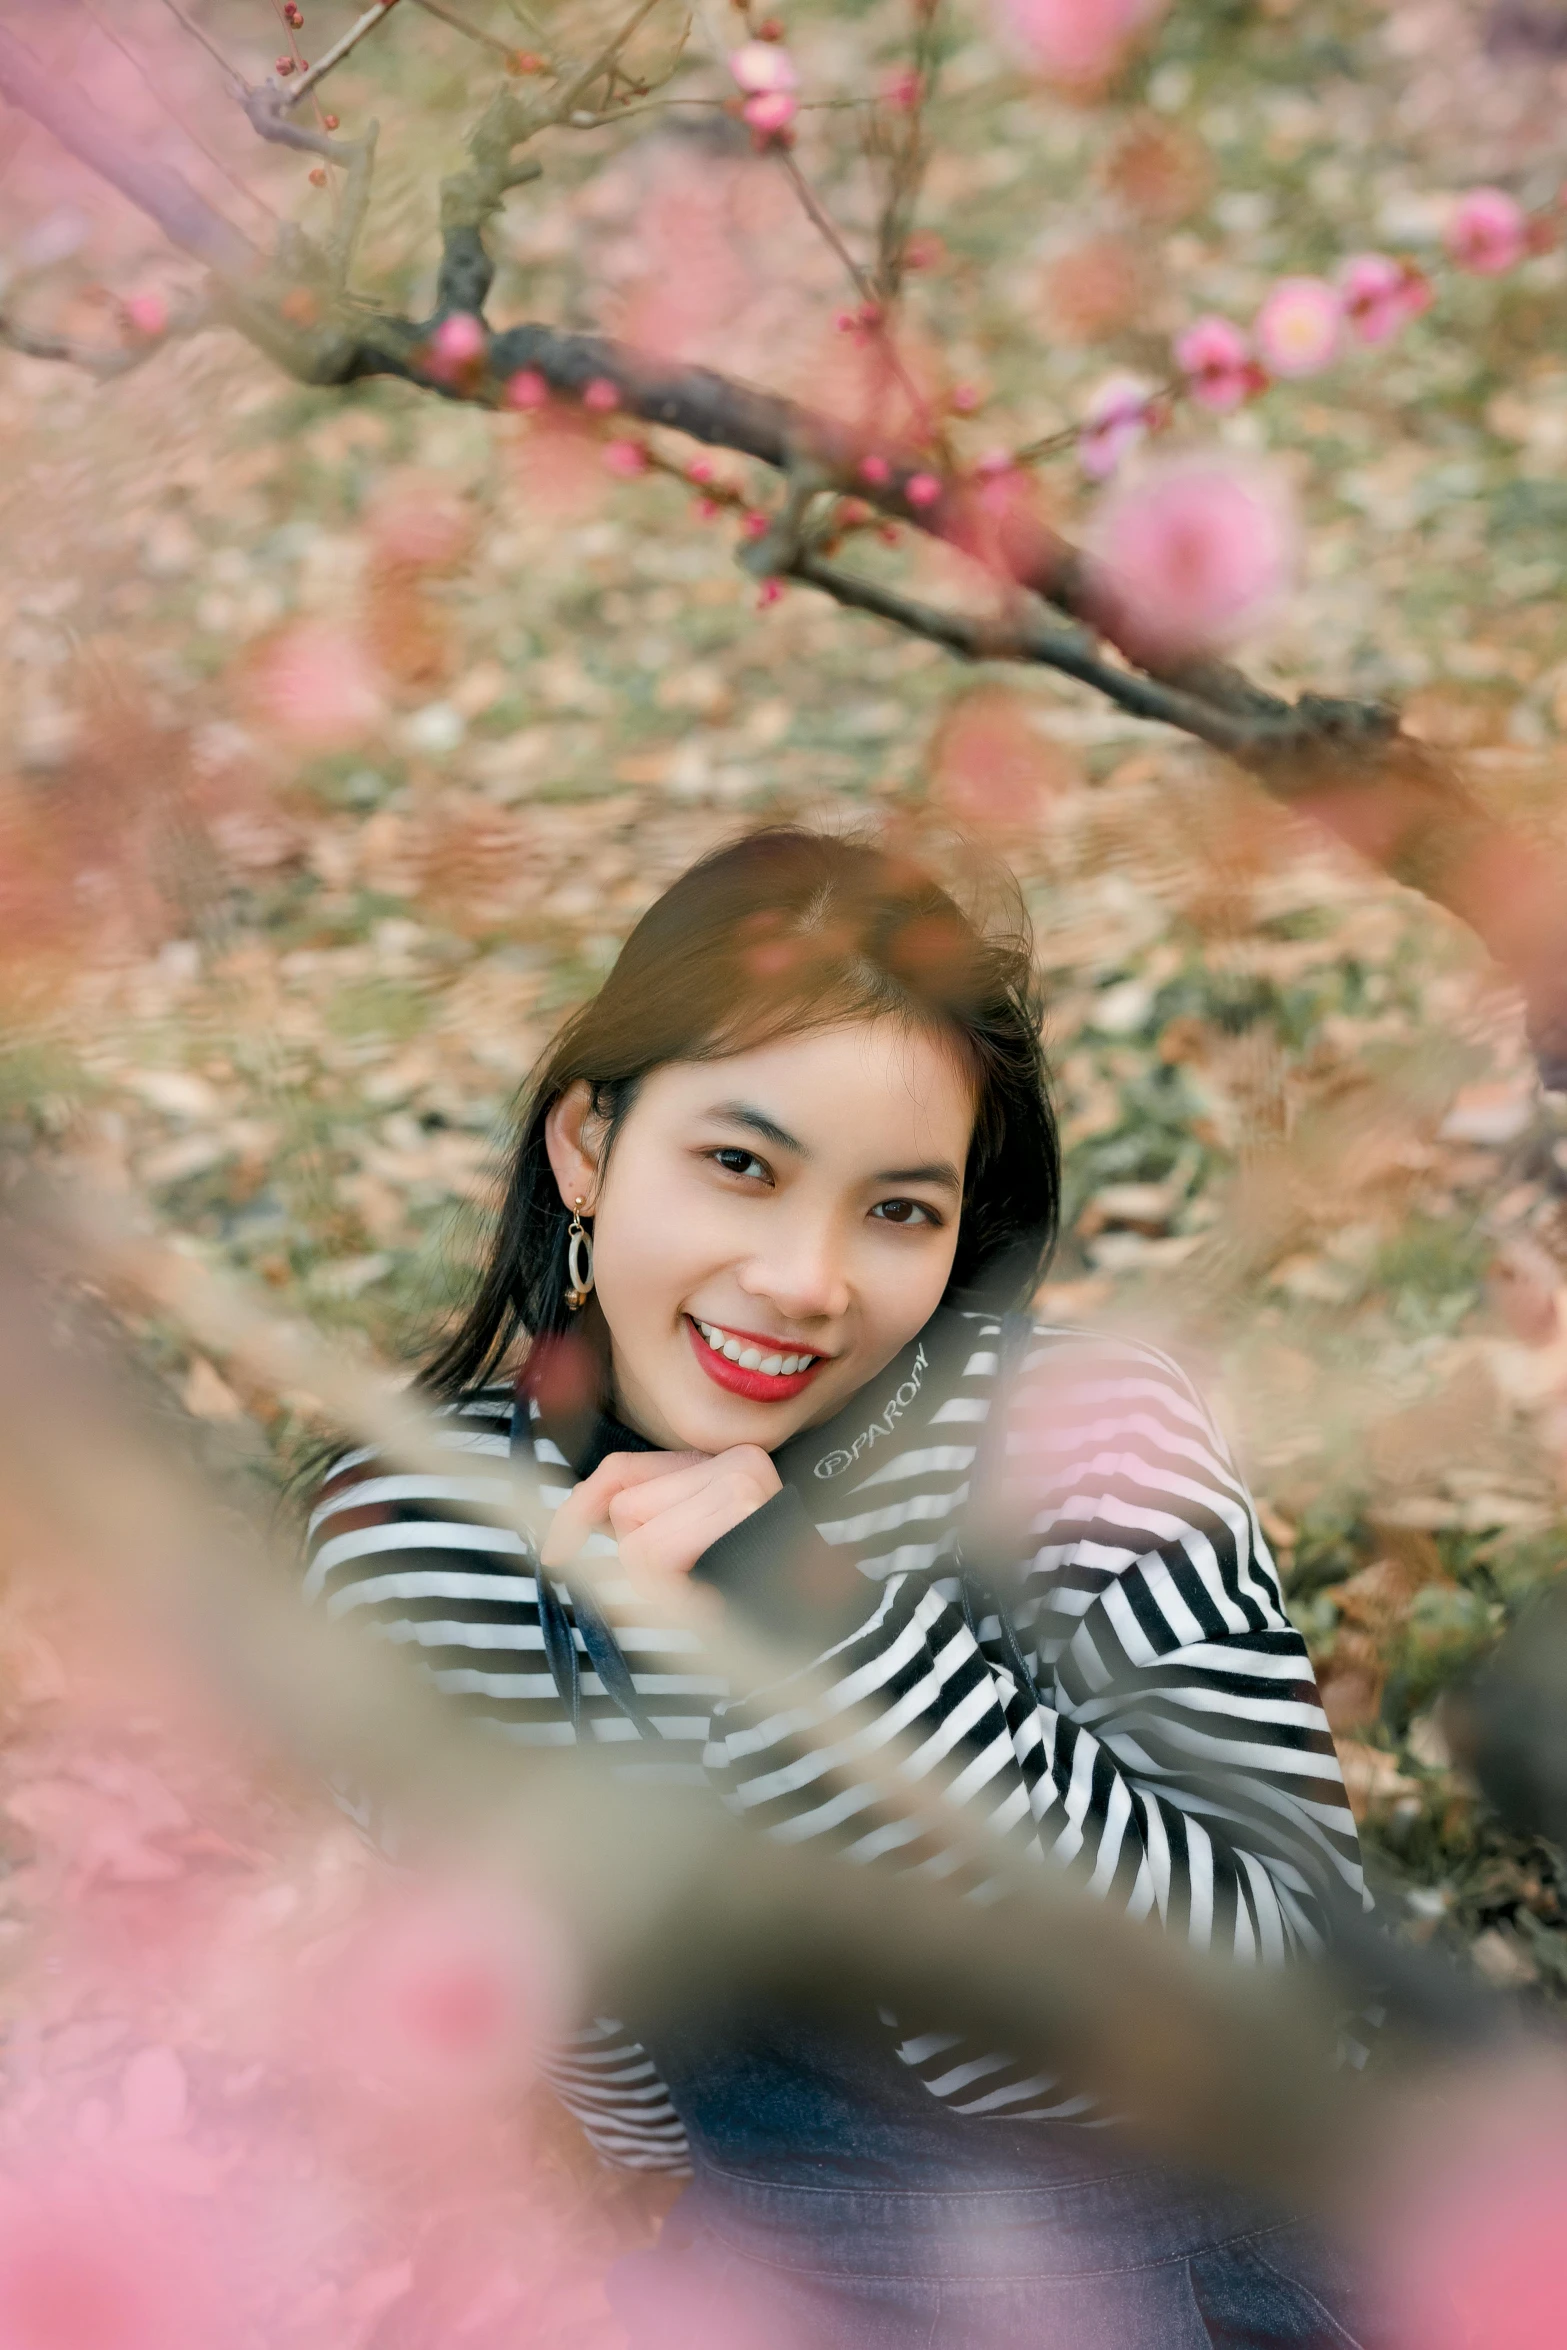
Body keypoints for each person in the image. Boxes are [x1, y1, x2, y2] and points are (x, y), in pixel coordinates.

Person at [305, 826, 1372, 2349]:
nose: (806, 1278)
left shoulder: (1080, 1448)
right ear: (587, 1146)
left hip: (1191, 2223)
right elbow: (583, 2056)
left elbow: (1285, 1994)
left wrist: (828, 1644)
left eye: (898, 1209)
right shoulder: (430, 1543)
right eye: (740, 1164)